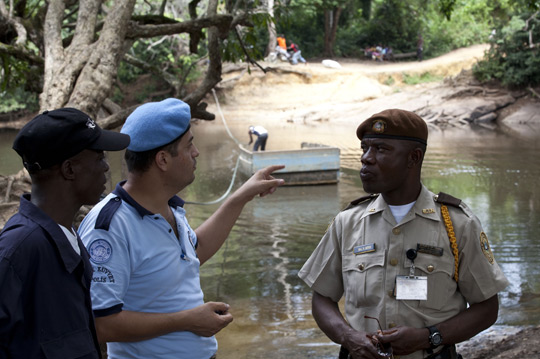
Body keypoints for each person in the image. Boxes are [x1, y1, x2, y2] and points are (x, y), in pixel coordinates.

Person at [78, 98, 285, 359]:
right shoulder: (110, 226)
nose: (197, 152)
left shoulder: (170, 206)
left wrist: (241, 196)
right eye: (189, 145)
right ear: (163, 159)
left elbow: (193, 253)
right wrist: (188, 320)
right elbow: (101, 324)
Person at [298, 109, 509, 359]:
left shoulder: (457, 224)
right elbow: (322, 298)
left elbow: (486, 307)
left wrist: (429, 337)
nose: (366, 158)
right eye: (365, 148)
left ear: (413, 157)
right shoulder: (348, 223)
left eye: (381, 149)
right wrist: (348, 337)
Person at [0, 108, 130, 358]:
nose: (105, 167)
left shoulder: (68, 235)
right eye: (99, 157)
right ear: (70, 170)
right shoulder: (18, 250)